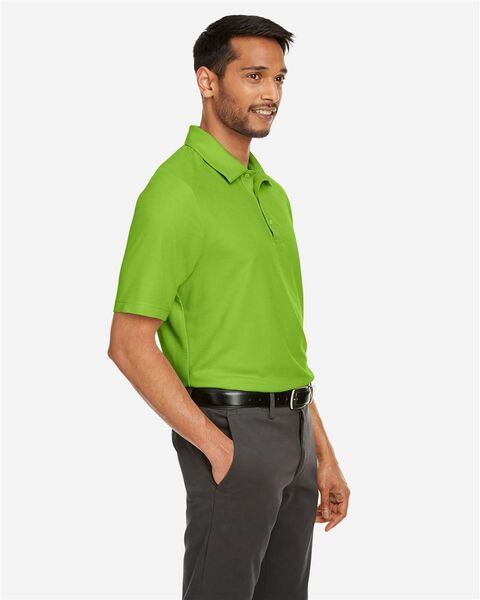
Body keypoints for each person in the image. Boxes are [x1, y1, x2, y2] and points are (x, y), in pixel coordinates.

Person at [108, 14, 350, 600]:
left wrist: (321, 452)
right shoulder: (176, 191)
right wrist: (218, 449)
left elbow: (280, 340)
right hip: (230, 431)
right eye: (254, 76)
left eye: (279, 78)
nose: (271, 94)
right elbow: (128, 343)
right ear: (208, 81)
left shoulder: (272, 194)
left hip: (295, 431)